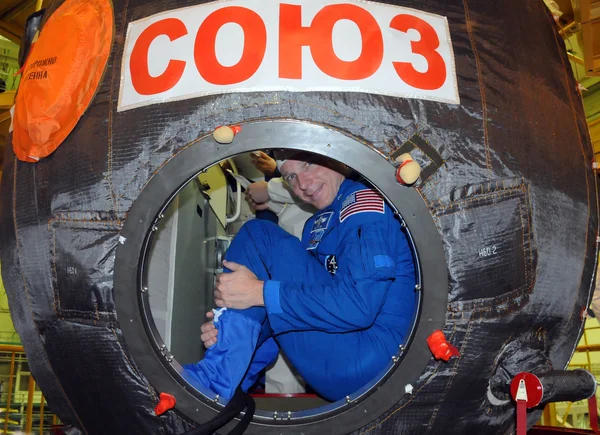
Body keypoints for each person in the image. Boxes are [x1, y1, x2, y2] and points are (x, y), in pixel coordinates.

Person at [186, 152, 416, 401]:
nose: (303, 184)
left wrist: (258, 292)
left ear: (336, 157)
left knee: (259, 234)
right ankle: (230, 380)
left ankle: (215, 381)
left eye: (309, 164)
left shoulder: (363, 204)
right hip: (343, 358)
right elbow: (303, 305)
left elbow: (359, 307)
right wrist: (229, 330)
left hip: (369, 356)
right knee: (264, 294)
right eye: (291, 176)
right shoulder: (318, 222)